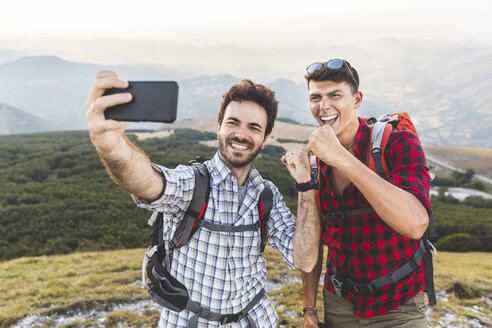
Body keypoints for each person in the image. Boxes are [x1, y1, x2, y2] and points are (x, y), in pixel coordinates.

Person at [85, 70, 320, 327]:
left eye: (254, 128)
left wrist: (306, 185)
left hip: (256, 321)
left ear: (263, 140)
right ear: (219, 128)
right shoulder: (193, 183)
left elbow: (304, 259)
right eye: (233, 122)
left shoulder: (267, 195)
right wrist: (111, 145)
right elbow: (148, 183)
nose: (241, 134)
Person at [284, 59, 432, 328]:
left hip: (399, 303)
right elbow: (314, 242)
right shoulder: (314, 163)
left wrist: (342, 158)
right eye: (315, 97)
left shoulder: (396, 143)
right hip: (340, 304)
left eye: (335, 95)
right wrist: (309, 308)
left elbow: (415, 224)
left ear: (357, 100)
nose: (324, 106)